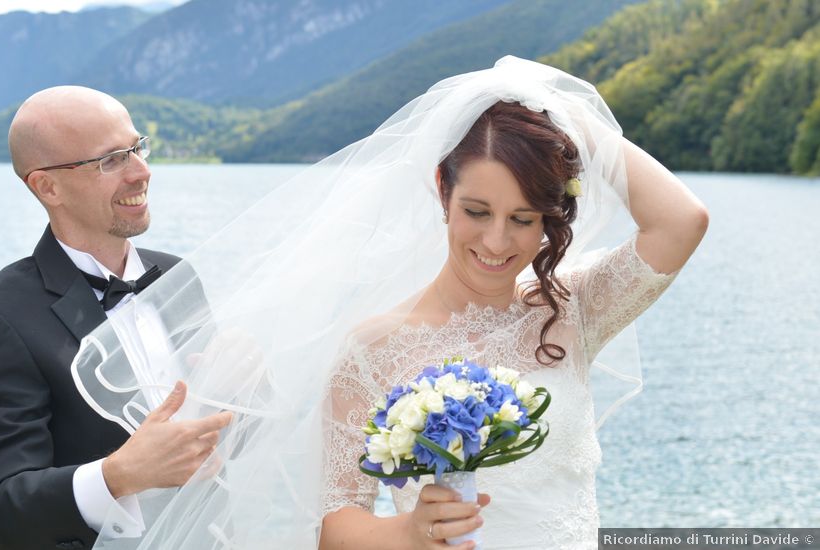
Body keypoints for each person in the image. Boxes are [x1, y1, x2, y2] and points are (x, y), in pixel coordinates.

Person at [69, 57, 707, 549]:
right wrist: (408, 534)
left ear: (549, 220)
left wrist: (558, 111)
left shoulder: (571, 308)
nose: (496, 241)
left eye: (524, 218)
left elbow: (682, 221)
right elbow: (335, 523)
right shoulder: (375, 347)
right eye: (477, 211)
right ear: (442, 191)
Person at [0, 86, 232, 550]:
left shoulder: (178, 276)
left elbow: (226, 436)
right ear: (47, 186)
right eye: (111, 160)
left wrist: (246, 386)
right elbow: (2, 508)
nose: (142, 172)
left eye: (137, 148)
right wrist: (117, 476)